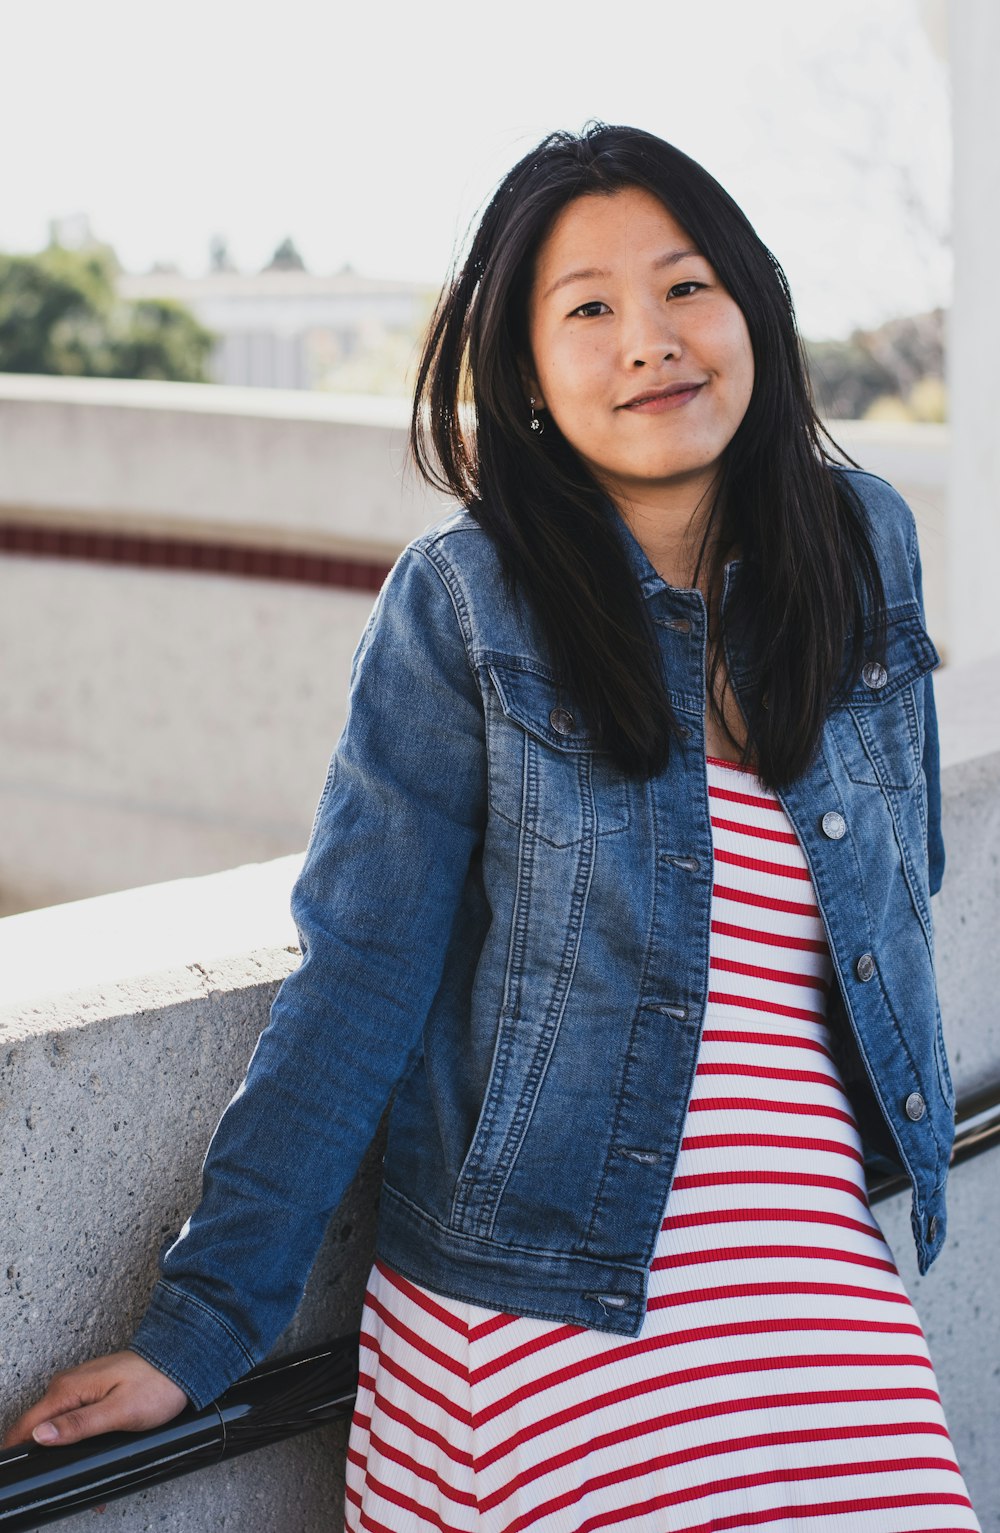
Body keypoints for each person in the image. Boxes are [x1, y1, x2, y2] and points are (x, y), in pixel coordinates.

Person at [4, 123, 982, 1531]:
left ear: (755, 305)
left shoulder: (858, 542)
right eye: (587, 308)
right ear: (526, 372)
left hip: (820, 1280)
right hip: (541, 1305)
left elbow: (903, 882)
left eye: (686, 285)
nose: (649, 339)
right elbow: (360, 976)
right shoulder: (466, 604)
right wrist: (200, 1325)